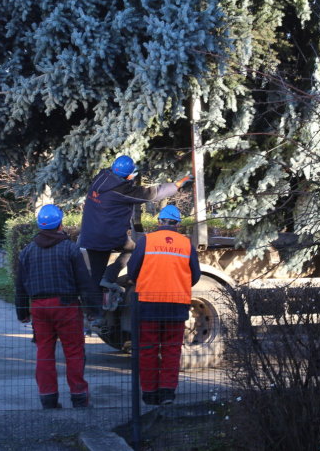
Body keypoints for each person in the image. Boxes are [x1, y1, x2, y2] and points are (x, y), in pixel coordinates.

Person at [14, 204, 99, 409]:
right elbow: (84, 282)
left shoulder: (27, 251)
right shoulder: (70, 249)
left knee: (44, 352)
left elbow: (20, 285)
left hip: (39, 308)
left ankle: (48, 398)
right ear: (60, 224)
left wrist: (22, 312)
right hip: (67, 306)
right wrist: (92, 310)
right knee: (74, 351)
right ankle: (79, 396)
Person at [77, 154, 192, 296]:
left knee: (95, 278)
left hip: (90, 234)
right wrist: (176, 185)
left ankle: (96, 305)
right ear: (127, 175)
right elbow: (150, 194)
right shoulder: (120, 191)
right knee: (132, 249)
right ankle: (108, 279)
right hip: (105, 237)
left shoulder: (101, 178)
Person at [127, 204, 201, 405]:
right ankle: (167, 392)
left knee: (148, 349)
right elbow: (195, 275)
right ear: (178, 224)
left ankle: (149, 393)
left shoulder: (147, 241)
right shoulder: (186, 244)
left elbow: (132, 269)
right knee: (171, 349)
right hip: (176, 305)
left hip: (149, 304)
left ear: (159, 221)